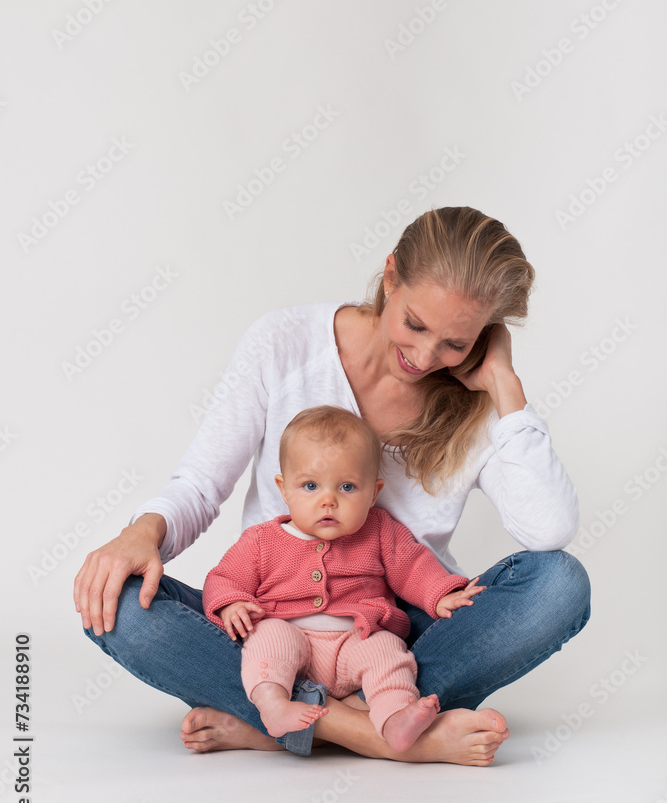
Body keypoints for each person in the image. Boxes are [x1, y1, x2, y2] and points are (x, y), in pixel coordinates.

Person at [74, 206, 591, 766]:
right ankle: (368, 731)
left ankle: (283, 722)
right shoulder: (285, 342)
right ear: (391, 276)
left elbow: (550, 529)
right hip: (273, 625)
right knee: (120, 604)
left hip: (392, 633)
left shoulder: (477, 402)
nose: (424, 358)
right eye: (415, 324)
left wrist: (504, 386)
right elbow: (200, 486)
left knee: (559, 584)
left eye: (456, 344)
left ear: (485, 337)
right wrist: (144, 533)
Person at [204, 405, 486, 752]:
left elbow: (412, 566)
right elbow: (224, 577)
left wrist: (440, 594)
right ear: (283, 489)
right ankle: (274, 706)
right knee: (267, 638)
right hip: (294, 638)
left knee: (387, 652)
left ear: (373, 492)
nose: (328, 501)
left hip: (357, 637)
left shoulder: (379, 530)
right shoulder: (263, 540)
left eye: (347, 487)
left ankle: (394, 718)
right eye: (310, 485)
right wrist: (231, 602)